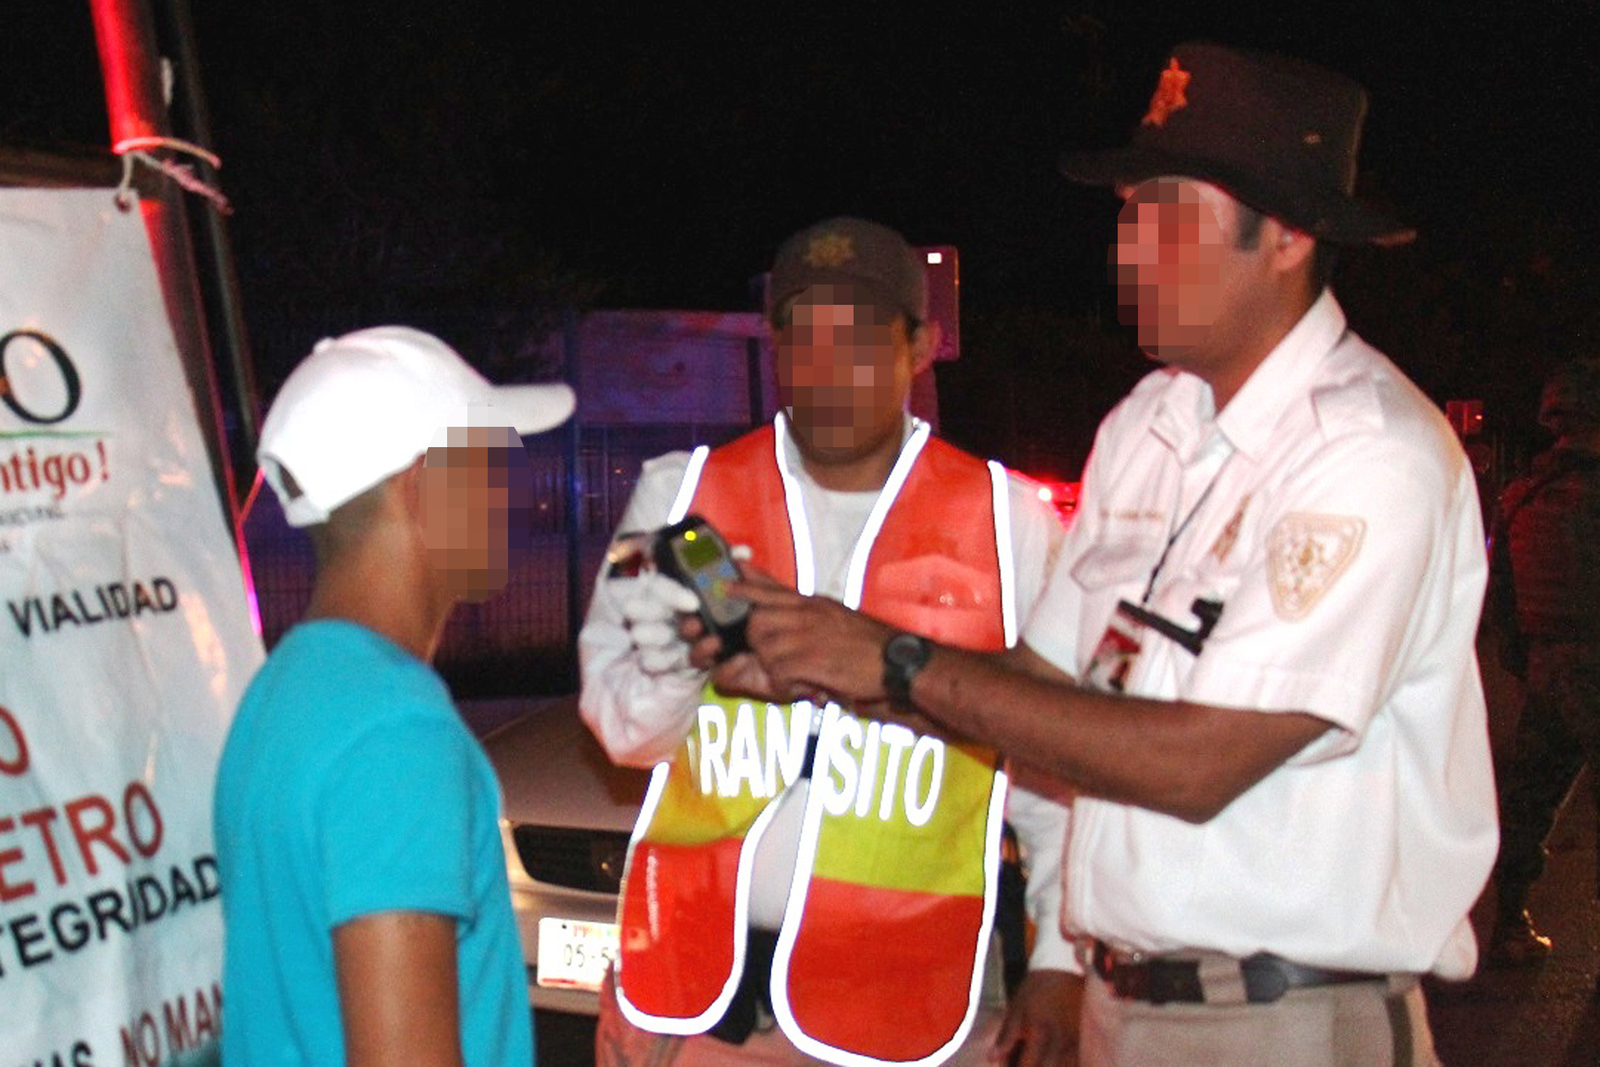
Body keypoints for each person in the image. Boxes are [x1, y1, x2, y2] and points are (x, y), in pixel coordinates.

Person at [707, 45, 1499, 1066]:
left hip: (1288, 1021)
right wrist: (828, 667)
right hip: (1126, 1008)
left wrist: (892, 662)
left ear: (1288, 235)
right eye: (1127, 215)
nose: (1129, 251)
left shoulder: (1367, 454)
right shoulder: (1147, 427)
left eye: (1166, 217)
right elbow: (1038, 692)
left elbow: (1200, 761)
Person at [579, 217, 1077, 1066]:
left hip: (914, 1005)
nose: (826, 367)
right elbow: (620, 732)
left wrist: (1062, 959)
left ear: (918, 346)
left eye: (858, 337)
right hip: (696, 1005)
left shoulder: (1012, 526)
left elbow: (1057, 769)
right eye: (802, 337)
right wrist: (687, 664)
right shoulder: (676, 495)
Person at [214, 326, 574, 1066]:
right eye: (496, 463)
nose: (521, 492)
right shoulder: (397, 731)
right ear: (425, 488)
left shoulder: (280, 692)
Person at [1484, 357, 1600, 964]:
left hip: (1548, 671)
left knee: (1528, 803)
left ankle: (1510, 925)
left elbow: (1500, 599)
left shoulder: (1522, 495)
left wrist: (1529, 664)